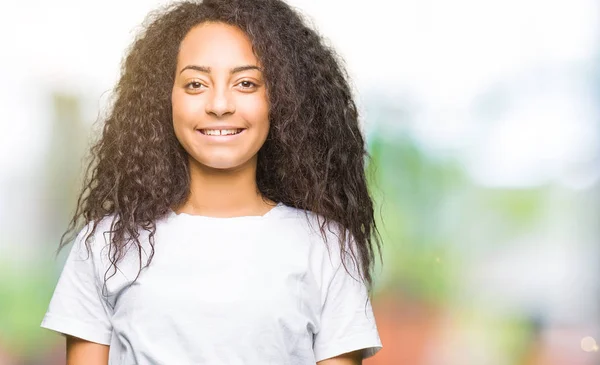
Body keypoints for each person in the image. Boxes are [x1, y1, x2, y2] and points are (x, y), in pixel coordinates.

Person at [40, 0, 383, 363]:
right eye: (196, 84)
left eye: (246, 83)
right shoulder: (107, 245)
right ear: (164, 99)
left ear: (280, 100)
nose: (220, 104)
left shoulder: (326, 248)